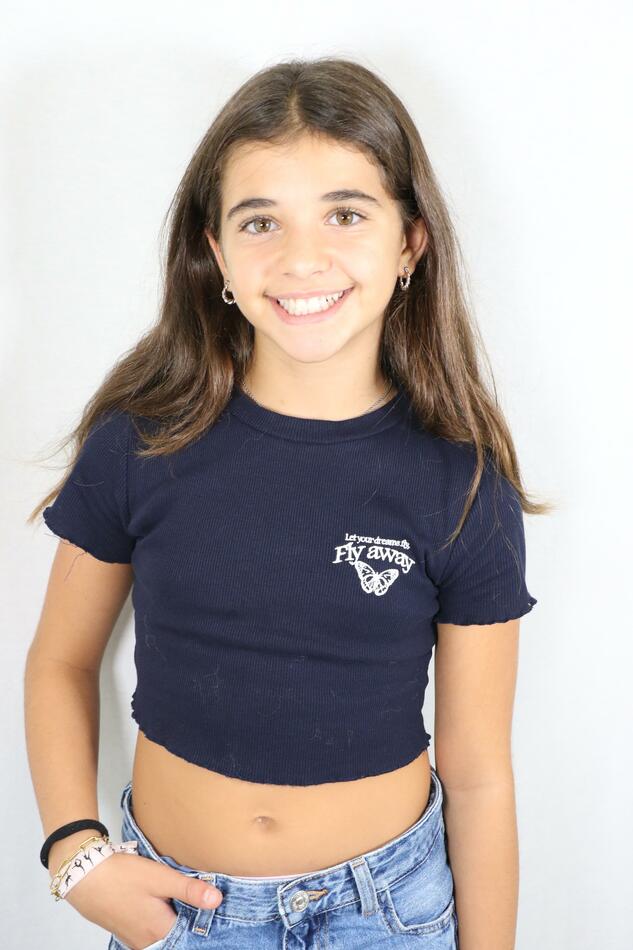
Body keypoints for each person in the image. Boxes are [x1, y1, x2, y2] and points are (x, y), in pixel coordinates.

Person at [25, 56, 548, 950]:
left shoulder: (462, 483)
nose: (302, 258)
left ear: (409, 244)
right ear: (217, 254)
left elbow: (477, 776)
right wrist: (77, 855)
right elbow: (60, 662)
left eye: (345, 214)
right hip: (179, 911)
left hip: (387, 912)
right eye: (260, 221)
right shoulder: (141, 441)